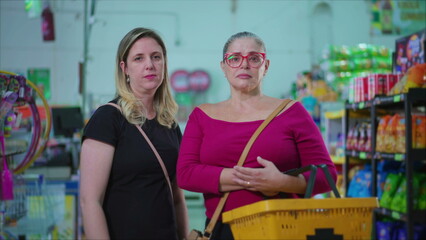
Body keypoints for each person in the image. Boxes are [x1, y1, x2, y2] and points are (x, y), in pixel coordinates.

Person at [177, 31, 337, 239]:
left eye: (254, 58)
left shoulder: (291, 112)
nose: (244, 65)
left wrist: (282, 182)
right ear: (223, 67)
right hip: (223, 230)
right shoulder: (202, 116)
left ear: (266, 66)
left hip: (282, 229)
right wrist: (255, 179)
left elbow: (327, 174)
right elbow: (186, 174)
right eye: (234, 59)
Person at [80, 27, 189, 240]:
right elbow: (89, 201)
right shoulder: (108, 119)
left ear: (164, 64)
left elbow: (177, 197)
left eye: (156, 57)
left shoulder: (169, 124)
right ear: (125, 68)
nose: (150, 64)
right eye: (139, 58)